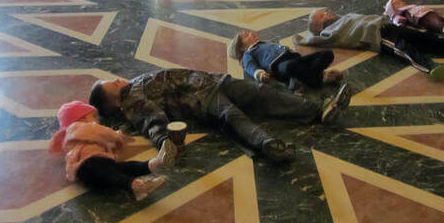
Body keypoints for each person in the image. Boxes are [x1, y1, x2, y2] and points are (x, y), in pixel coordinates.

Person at [88, 69, 350, 163]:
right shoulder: (131, 100)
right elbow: (151, 120)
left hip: (214, 81)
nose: (118, 79)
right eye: (113, 84)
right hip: (200, 97)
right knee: (234, 117)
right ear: (114, 101)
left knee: (263, 94)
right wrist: (163, 142)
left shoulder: (133, 85)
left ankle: (318, 110)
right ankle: (266, 144)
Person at [294, 8, 444, 81]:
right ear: (319, 26)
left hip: (388, 26)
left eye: (325, 11)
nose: (327, 13)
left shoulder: (345, 16)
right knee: (405, 50)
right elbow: (317, 39)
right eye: (322, 15)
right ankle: (430, 67)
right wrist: (303, 38)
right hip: (378, 36)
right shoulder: (329, 32)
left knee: (430, 40)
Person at [49, 101, 176, 201]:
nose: (97, 120)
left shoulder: (80, 137)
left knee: (122, 168)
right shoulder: (77, 127)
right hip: (88, 165)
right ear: (81, 119)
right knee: (114, 174)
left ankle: (154, 165)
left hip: (95, 168)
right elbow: (101, 132)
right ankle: (136, 184)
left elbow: (101, 139)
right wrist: (117, 135)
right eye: (93, 116)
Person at [227, 30, 343, 91]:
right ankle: (320, 77)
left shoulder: (264, 43)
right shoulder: (248, 53)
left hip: (295, 58)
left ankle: (316, 78)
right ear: (241, 47)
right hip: (279, 65)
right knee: (290, 67)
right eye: (246, 36)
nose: (251, 33)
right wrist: (259, 74)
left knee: (327, 53)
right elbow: (249, 66)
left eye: (249, 32)